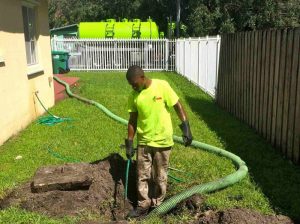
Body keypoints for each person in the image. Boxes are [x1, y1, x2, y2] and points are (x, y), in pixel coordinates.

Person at [125, 65, 192, 218]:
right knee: (142, 175)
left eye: (134, 83)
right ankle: (143, 205)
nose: (133, 87)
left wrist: (186, 128)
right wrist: (129, 142)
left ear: (142, 77)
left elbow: (177, 105)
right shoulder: (134, 96)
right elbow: (132, 121)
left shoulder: (162, 86)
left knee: (160, 176)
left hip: (163, 141)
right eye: (131, 85)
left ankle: (158, 206)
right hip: (144, 141)